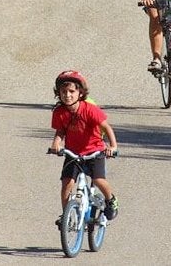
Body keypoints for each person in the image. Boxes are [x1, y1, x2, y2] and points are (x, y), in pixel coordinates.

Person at [49, 70, 119, 225]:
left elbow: (106, 128)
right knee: (66, 184)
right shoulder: (59, 112)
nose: (67, 95)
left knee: (98, 179)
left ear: (80, 93)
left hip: (95, 151)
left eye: (71, 91)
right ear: (58, 93)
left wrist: (112, 146)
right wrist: (56, 143)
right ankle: (66, 216)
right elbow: (60, 131)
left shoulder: (89, 109)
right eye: (63, 91)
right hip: (73, 153)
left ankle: (111, 200)